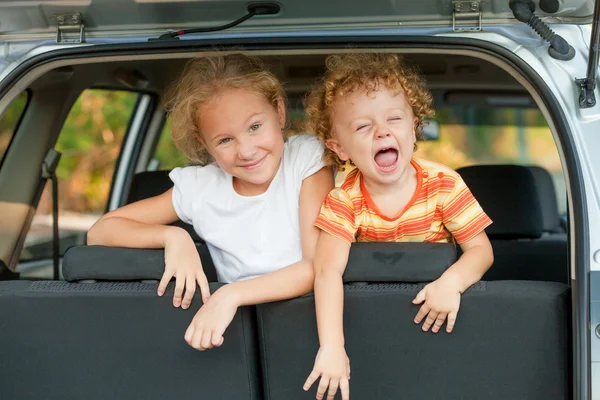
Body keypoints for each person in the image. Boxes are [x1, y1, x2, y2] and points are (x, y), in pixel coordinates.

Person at [87, 53, 333, 351]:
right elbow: (100, 231)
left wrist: (230, 295)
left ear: (279, 112)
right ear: (205, 144)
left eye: (255, 127)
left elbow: (316, 266)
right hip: (237, 339)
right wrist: (172, 236)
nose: (246, 150)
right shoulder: (200, 187)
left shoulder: (305, 159)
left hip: (310, 328)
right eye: (225, 140)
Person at [302, 53, 494, 400]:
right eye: (363, 126)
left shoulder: (444, 184)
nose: (382, 131)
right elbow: (326, 273)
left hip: (440, 320)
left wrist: (451, 282)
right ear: (338, 147)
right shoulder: (343, 201)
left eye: (394, 118)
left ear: (413, 126)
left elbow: (481, 251)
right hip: (375, 331)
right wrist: (332, 346)